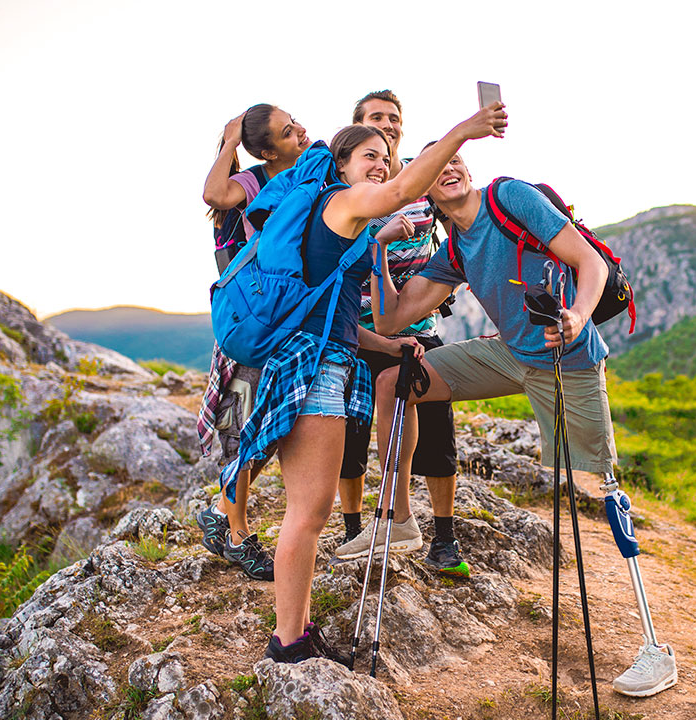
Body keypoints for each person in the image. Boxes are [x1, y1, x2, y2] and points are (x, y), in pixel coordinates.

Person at [368, 152, 678, 697]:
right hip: (511, 355)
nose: (451, 169)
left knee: (598, 485)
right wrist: (376, 248)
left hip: (571, 358)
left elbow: (591, 263)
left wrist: (577, 316)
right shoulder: (455, 252)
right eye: (436, 168)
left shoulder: (506, 198)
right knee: (394, 383)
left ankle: (656, 649)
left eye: (456, 159)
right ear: (423, 191)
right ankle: (400, 519)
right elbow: (392, 319)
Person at [219, 105, 507, 664]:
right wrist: (464, 133)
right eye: (369, 156)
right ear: (342, 164)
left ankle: (295, 630)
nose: (382, 164)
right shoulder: (341, 203)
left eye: (385, 155)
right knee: (309, 512)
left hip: (310, 357)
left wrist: (389, 346)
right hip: (317, 370)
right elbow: (403, 190)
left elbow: (337, 317)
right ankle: (289, 642)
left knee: (308, 510)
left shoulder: (332, 218)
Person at [332, 90, 466, 578]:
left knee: (435, 431)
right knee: (350, 431)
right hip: (357, 330)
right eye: (375, 120)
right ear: (357, 129)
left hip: (419, 328)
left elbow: (459, 212)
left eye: (393, 119)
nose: (386, 126)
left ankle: (444, 538)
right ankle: (355, 529)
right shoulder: (348, 188)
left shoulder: (418, 179)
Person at [196, 104, 310, 581]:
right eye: (288, 131)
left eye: (296, 121)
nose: (301, 130)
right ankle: (236, 535)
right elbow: (213, 193)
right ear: (267, 150)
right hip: (258, 320)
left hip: (291, 318)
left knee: (273, 426)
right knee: (244, 430)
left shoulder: (312, 172)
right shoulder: (255, 183)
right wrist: (228, 143)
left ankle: (221, 517)